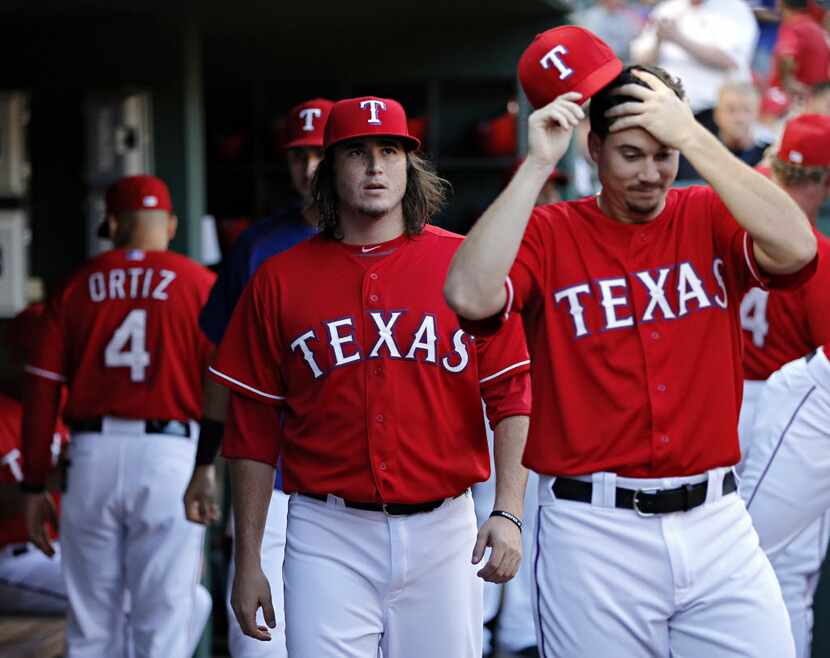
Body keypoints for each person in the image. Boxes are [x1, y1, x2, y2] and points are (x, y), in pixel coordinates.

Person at [445, 28, 818, 656]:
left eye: (662, 154)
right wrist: (538, 165)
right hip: (594, 528)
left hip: (717, 519)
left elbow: (798, 247)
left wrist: (694, 136)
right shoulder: (549, 231)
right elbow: (469, 295)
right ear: (593, 149)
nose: (651, 173)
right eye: (632, 154)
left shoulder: (705, 211)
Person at [209, 96, 532, 658]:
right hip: (324, 530)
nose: (376, 166)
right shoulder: (277, 279)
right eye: (357, 153)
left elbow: (512, 394)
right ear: (329, 170)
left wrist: (507, 510)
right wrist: (249, 560)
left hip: (443, 525)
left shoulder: (464, 264)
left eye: (391, 151)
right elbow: (253, 428)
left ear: (412, 165)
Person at [20, 175, 215, 658]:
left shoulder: (76, 286)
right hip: (171, 453)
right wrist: (209, 464)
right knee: (164, 621)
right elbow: (222, 388)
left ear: (110, 224)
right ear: (169, 225)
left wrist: (35, 484)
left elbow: (41, 392)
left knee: (91, 628)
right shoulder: (199, 284)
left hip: (91, 458)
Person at [184, 97, 332, 658]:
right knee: (259, 646)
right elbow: (226, 366)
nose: (310, 168)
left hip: (354, 488)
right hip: (267, 480)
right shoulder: (258, 245)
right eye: (299, 156)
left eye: (321, 153)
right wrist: (204, 464)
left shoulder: (396, 242)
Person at [737, 114, 830, 658]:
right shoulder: (816, 252)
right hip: (786, 414)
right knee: (786, 570)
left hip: (726, 404)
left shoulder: (735, 226)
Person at [630, 0, 759, 127]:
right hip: (668, 107)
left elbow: (732, 61)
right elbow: (642, 60)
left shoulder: (736, 9)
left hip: (712, 111)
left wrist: (678, 38)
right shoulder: (667, 8)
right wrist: (659, 40)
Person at [677, 81, 769, 180]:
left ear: (757, 114)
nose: (739, 118)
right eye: (731, 110)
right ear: (717, 114)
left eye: (747, 110)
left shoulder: (768, 157)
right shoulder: (694, 157)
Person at [768, 0, 830, 107]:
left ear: (781, 4)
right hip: (817, 98)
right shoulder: (814, 26)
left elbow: (786, 56)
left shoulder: (793, 26)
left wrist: (787, 80)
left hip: (794, 100)